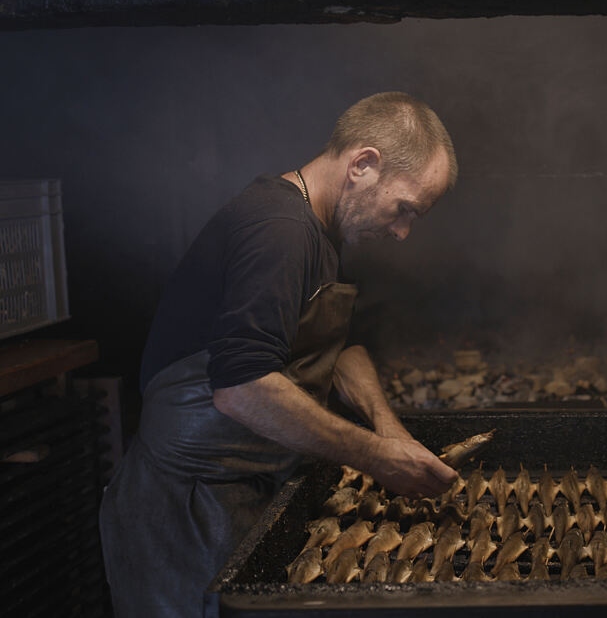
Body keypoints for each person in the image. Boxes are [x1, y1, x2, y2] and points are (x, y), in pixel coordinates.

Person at [98, 92, 460, 617]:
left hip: (241, 489)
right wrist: (377, 459)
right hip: (187, 508)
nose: (403, 231)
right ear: (363, 164)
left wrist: (388, 427)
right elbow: (241, 388)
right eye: (404, 209)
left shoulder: (321, 230)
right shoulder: (280, 231)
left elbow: (339, 347)